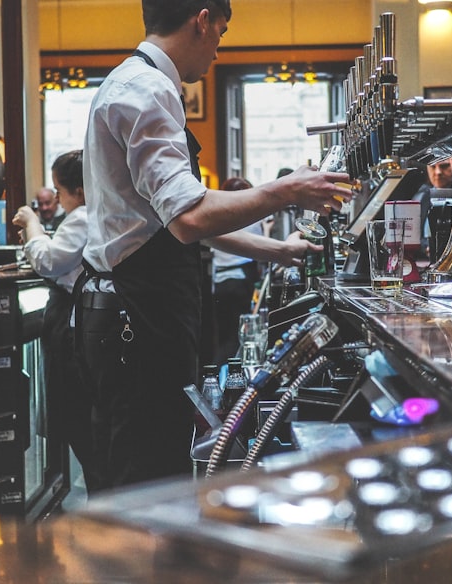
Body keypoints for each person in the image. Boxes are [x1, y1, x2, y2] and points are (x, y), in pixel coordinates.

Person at [78, 0, 353, 491]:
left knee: (148, 463)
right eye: (221, 34)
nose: (217, 52)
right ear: (202, 20)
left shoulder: (137, 82)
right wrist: (287, 190)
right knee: (146, 476)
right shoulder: (146, 88)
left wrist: (276, 250)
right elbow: (188, 218)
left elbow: (173, 215)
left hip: (134, 309)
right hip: (135, 318)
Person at [12, 150, 100, 492]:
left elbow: (49, 261)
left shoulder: (82, 217)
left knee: (76, 416)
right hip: (85, 319)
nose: (59, 200)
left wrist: (33, 226)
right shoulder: (101, 214)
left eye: (59, 191)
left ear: (78, 191)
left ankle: (97, 500)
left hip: (72, 323)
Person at [211, 176, 265, 364]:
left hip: (220, 282)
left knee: (224, 336)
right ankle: (234, 377)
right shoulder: (249, 216)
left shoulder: (215, 217)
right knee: (239, 335)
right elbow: (259, 251)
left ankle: (221, 376)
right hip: (241, 280)